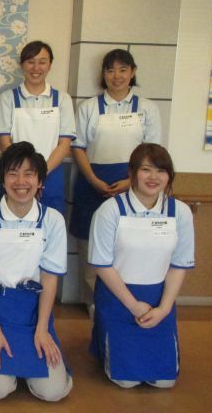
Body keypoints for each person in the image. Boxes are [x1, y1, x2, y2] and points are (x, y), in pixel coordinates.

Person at [0, 142, 72, 402]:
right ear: (3, 180)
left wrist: (43, 328)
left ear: (40, 181)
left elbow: (50, 278)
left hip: (33, 313)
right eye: (13, 174)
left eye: (29, 174)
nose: (21, 182)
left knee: (53, 392)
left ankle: (30, 360)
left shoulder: (53, 220)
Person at [88, 143, 194, 388]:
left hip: (158, 301)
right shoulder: (110, 210)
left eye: (161, 171)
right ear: (132, 173)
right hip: (118, 298)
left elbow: (179, 265)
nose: (153, 177)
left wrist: (164, 309)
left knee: (165, 382)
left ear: (169, 176)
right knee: (125, 381)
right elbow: (102, 265)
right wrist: (134, 305)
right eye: (146, 169)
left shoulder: (179, 212)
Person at [70, 49, 161, 311]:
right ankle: (93, 304)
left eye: (123, 69)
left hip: (134, 186)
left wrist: (131, 182)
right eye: (110, 70)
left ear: (133, 72)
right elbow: (78, 147)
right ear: (103, 74)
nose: (116, 76)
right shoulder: (88, 107)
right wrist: (93, 179)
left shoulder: (147, 108)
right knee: (90, 243)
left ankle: (125, 302)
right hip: (93, 184)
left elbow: (153, 152)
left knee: (127, 242)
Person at [0, 40, 76, 215]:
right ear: (22, 65)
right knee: (10, 222)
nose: (36, 68)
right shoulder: (7, 98)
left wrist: (40, 174)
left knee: (51, 222)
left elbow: (64, 144)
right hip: (15, 177)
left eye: (42, 62)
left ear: (50, 65)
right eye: (30, 62)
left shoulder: (62, 99)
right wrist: (24, 175)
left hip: (50, 175)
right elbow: (4, 142)